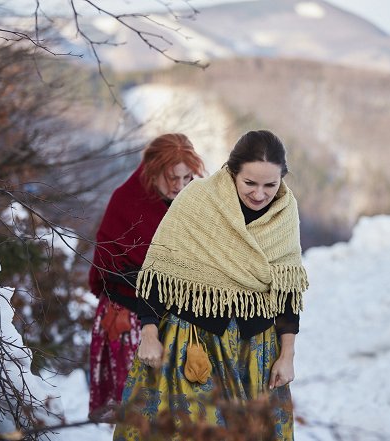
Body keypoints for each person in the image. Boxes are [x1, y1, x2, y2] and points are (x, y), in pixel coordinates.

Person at [113, 130, 309, 440]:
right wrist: (149, 332)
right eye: (250, 183)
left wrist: (287, 356)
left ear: (282, 179)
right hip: (192, 342)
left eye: (270, 185)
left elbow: (286, 292)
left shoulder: (284, 213)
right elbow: (159, 273)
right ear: (233, 173)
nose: (259, 194)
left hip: (253, 352)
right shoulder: (198, 200)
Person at [88, 133, 206, 419]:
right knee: (137, 414)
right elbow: (107, 267)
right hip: (128, 315)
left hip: (175, 318)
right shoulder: (127, 200)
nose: (179, 187)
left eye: (187, 178)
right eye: (171, 178)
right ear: (153, 171)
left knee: (176, 416)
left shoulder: (193, 204)